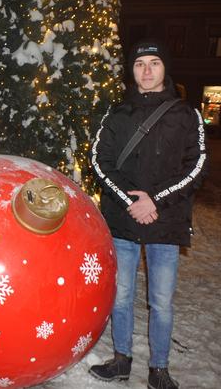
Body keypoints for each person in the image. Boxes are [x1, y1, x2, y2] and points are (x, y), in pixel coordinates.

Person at [89, 39, 207, 389]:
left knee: (161, 301)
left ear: (165, 68)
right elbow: (100, 160)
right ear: (133, 70)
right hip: (123, 220)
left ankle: (159, 370)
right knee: (121, 296)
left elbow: (197, 166)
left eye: (154, 63)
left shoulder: (186, 114)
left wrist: (153, 200)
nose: (147, 70)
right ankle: (121, 359)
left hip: (165, 221)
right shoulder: (116, 112)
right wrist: (130, 200)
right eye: (141, 64)